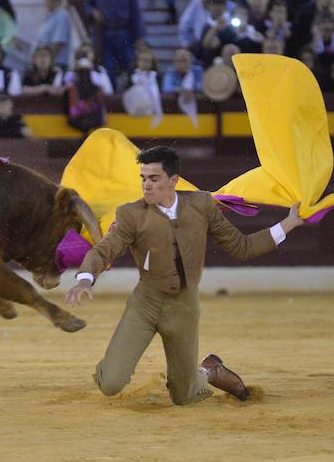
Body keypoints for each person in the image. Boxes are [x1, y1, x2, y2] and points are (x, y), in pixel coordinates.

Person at [64, 146, 304, 405]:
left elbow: (241, 247)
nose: (146, 185)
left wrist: (287, 224)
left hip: (184, 307)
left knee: (184, 396)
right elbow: (104, 250)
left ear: (173, 180)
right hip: (145, 305)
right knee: (110, 383)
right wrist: (85, 279)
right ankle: (115, 364)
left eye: (154, 179)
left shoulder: (201, 205)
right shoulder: (130, 214)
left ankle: (209, 370)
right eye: (143, 178)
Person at [87, 0, 144, 81]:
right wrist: (93, 11)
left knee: (128, 64)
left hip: (124, 33)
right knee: (108, 67)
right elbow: (88, 5)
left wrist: (139, 36)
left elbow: (136, 14)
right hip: (105, 34)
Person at [65, 56, 106, 134]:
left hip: (93, 124)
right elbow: (73, 112)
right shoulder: (73, 89)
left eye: (86, 72)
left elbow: (100, 114)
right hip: (77, 123)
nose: (84, 75)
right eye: (82, 72)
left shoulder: (97, 89)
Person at [33, 0, 71, 68]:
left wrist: (47, 60)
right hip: (44, 63)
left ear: (59, 2)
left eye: (52, 1)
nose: (49, 3)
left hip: (55, 64)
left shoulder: (61, 16)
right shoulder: (49, 17)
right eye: (47, 0)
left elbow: (58, 43)